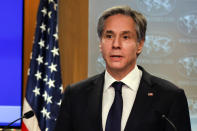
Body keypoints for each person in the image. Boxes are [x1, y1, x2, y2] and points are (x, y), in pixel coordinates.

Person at [55, 5, 191, 131]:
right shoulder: (75, 95)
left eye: (125, 37)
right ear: (100, 44)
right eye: (109, 36)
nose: (116, 44)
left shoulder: (170, 97)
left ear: (140, 45)